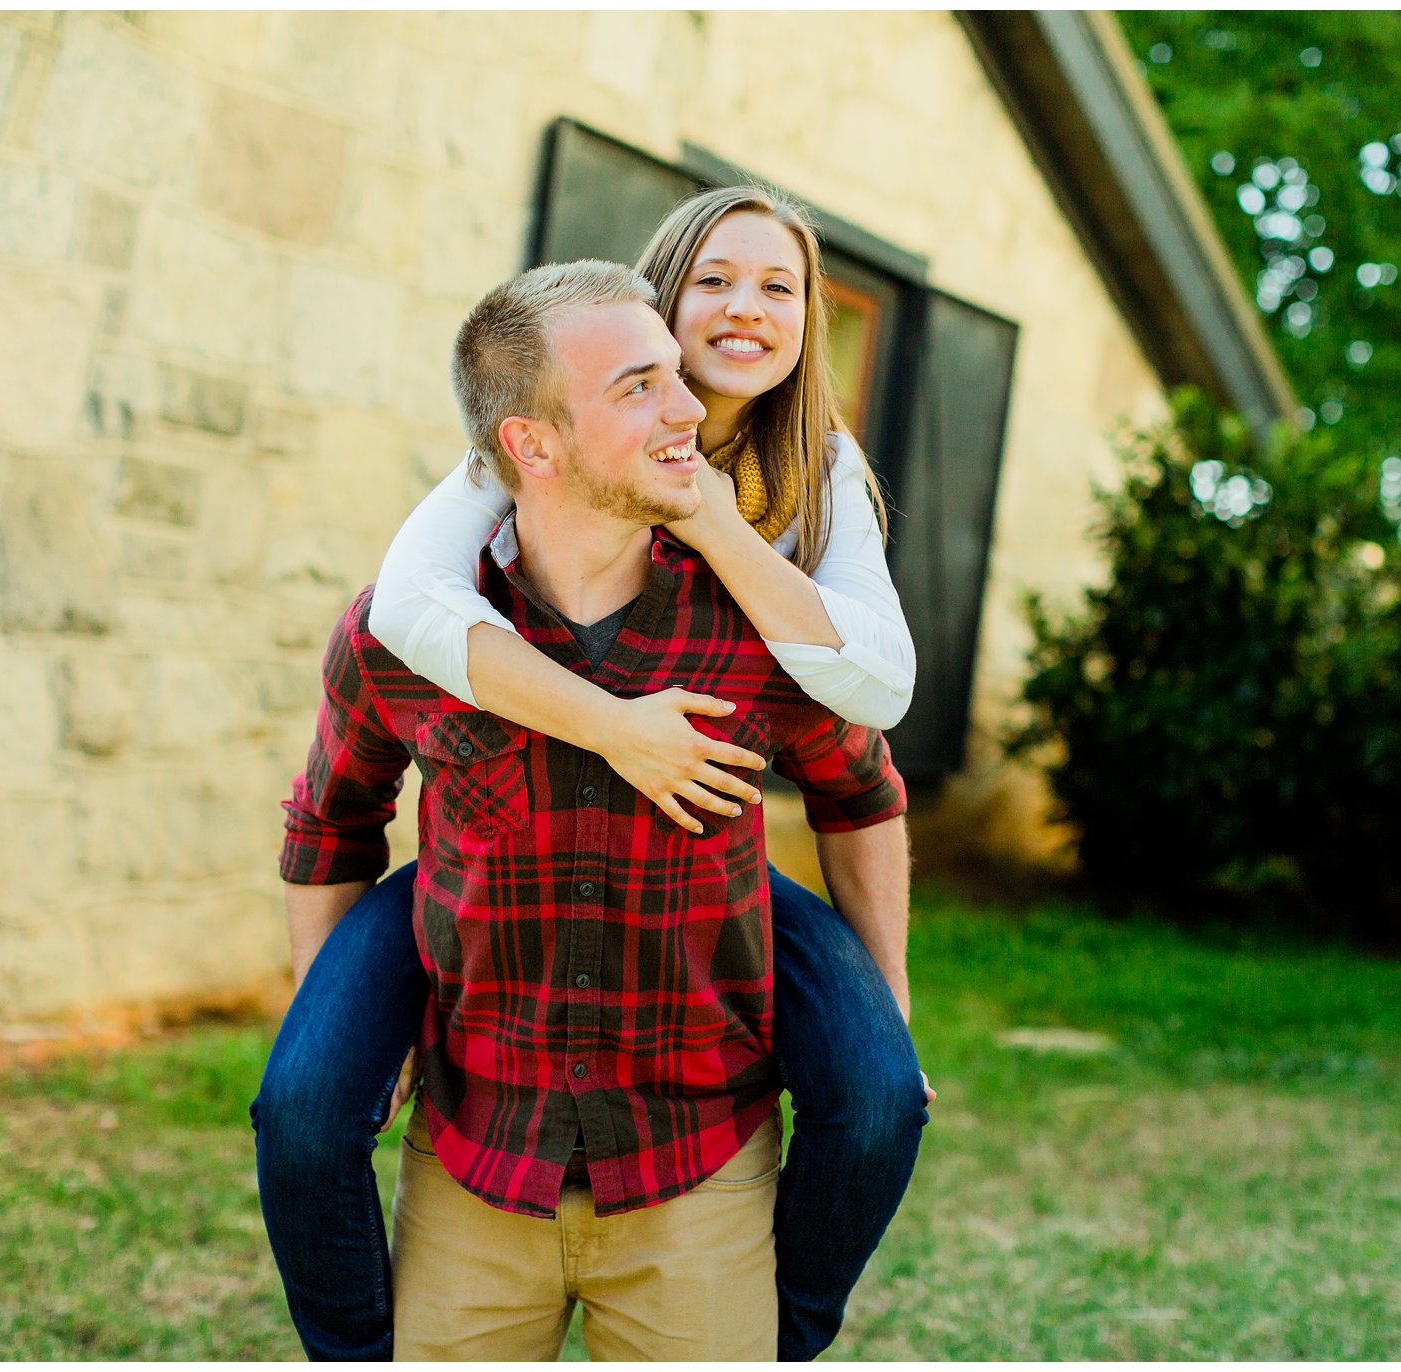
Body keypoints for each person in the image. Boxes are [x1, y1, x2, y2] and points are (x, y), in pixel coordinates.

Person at [253, 189, 927, 1361]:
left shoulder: (813, 464)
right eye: (713, 281)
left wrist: (715, 524)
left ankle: (783, 1335)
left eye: (780, 288)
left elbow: (870, 705)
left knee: (877, 1090)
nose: (744, 312)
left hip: (694, 866)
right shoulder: (491, 477)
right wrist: (617, 725)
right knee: (304, 1105)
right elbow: (406, 617)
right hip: (488, 852)